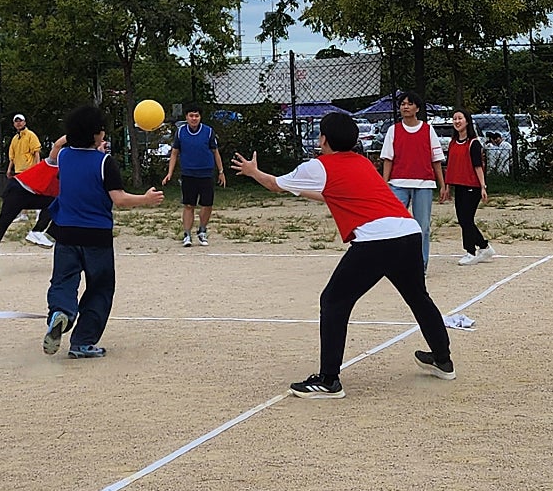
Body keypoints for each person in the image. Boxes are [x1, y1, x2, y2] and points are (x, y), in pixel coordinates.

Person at [233, 109, 455, 397]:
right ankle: (443, 359)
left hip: (377, 240)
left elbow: (275, 185)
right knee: (417, 297)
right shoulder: (361, 162)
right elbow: (331, 192)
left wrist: (253, 172)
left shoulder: (318, 166)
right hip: (407, 233)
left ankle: (328, 379)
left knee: (334, 300)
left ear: (323, 139)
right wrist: (298, 189)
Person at [42, 104, 163, 358]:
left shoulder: (63, 156)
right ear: (94, 134)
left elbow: (56, 146)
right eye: (101, 131)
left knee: (64, 281)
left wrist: (74, 133)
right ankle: (82, 342)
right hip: (96, 236)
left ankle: (61, 312)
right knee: (100, 287)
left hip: (65, 233)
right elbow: (118, 199)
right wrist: (145, 199)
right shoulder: (104, 162)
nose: (104, 134)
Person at [380, 91, 446, 268]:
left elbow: (436, 160)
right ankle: (395, 262)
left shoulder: (427, 129)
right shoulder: (393, 130)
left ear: (417, 108)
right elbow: (388, 159)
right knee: (394, 224)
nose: (405, 107)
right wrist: (384, 184)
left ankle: (420, 264)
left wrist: (442, 185)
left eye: (409, 104)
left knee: (422, 227)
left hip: (423, 183)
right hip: (398, 183)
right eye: (403, 104)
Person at [0, 115, 54, 266]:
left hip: (24, 179)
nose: (18, 123)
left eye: (20, 120)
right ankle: (37, 230)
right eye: (16, 121)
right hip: (20, 179)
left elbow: (37, 153)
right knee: (53, 202)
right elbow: (12, 157)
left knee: (4, 219)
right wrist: (10, 169)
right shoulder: (15, 139)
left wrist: (37, 168)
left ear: (25, 122)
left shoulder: (30, 135)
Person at [163, 105, 226, 246]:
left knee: (207, 204)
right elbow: (174, 153)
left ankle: (202, 231)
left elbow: (215, 152)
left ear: (200, 117)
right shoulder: (180, 132)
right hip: (188, 173)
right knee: (189, 205)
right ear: (186, 117)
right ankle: (187, 235)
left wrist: (221, 172)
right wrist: (170, 173)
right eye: (191, 116)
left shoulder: (208, 132)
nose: (194, 118)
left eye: (196, 116)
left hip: (206, 173)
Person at [445, 109, 495, 265]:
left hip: (472, 186)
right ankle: (484, 246)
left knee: (466, 219)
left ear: (467, 121)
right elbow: (451, 166)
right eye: (454, 119)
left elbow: (478, 166)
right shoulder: (453, 143)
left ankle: (471, 251)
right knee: (463, 220)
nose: (457, 121)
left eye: (460, 118)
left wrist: (482, 186)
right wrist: (447, 186)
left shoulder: (473, 143)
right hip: (459, 186)